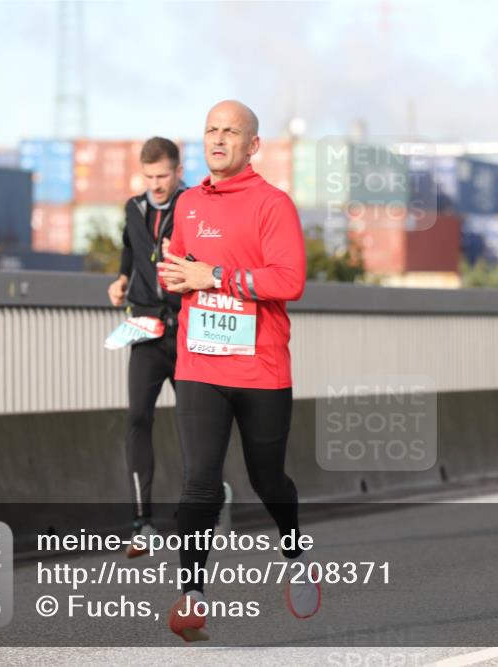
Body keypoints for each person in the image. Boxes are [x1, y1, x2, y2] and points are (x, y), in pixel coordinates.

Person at [157, 100, 320, 641]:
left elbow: (288, 281)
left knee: (266, 478)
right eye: (210, 130)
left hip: (261, 369)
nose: (218, 138)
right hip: (199, 364)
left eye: (231, 131)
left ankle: (295, 551)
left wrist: (215, 276)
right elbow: (177, 270)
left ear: (253, 146)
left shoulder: (273, 205)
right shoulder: (185, 205)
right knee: (199, 479)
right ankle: (192, 594)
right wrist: (176, 279)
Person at [108, 138, 232, 556]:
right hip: (145, 326)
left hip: (188, 329)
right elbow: (130, 247)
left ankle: (205, 509)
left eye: (163, 176)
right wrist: (121, 279)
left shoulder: (194, 207)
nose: (155, 185)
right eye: (149, 177)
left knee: (195, 426)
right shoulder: (134, 208)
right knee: (138, 419)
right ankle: (141, 523)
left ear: (178, 171)